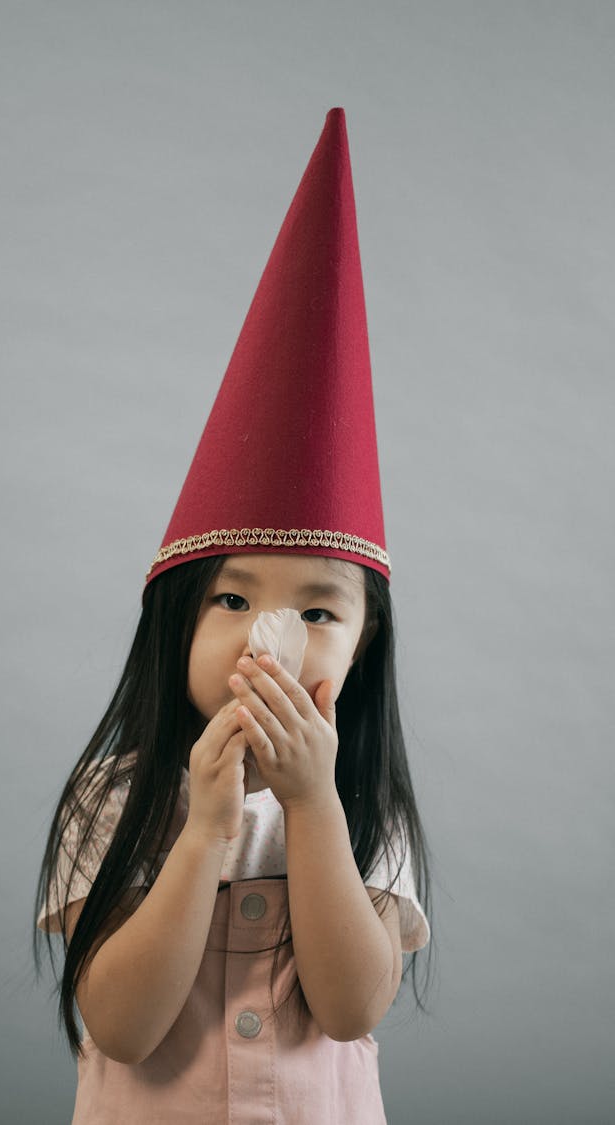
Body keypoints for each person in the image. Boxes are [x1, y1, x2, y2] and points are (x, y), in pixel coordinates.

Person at [34, 108, 433, 1124]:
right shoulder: (112, 795)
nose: (271, 636)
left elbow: (350, 1006)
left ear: (366, 642)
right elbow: (120, 1025)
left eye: (319, 611)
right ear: (176, 623)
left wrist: (311, 807)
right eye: (231, 597)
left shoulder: (361, 802)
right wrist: (207, 825)